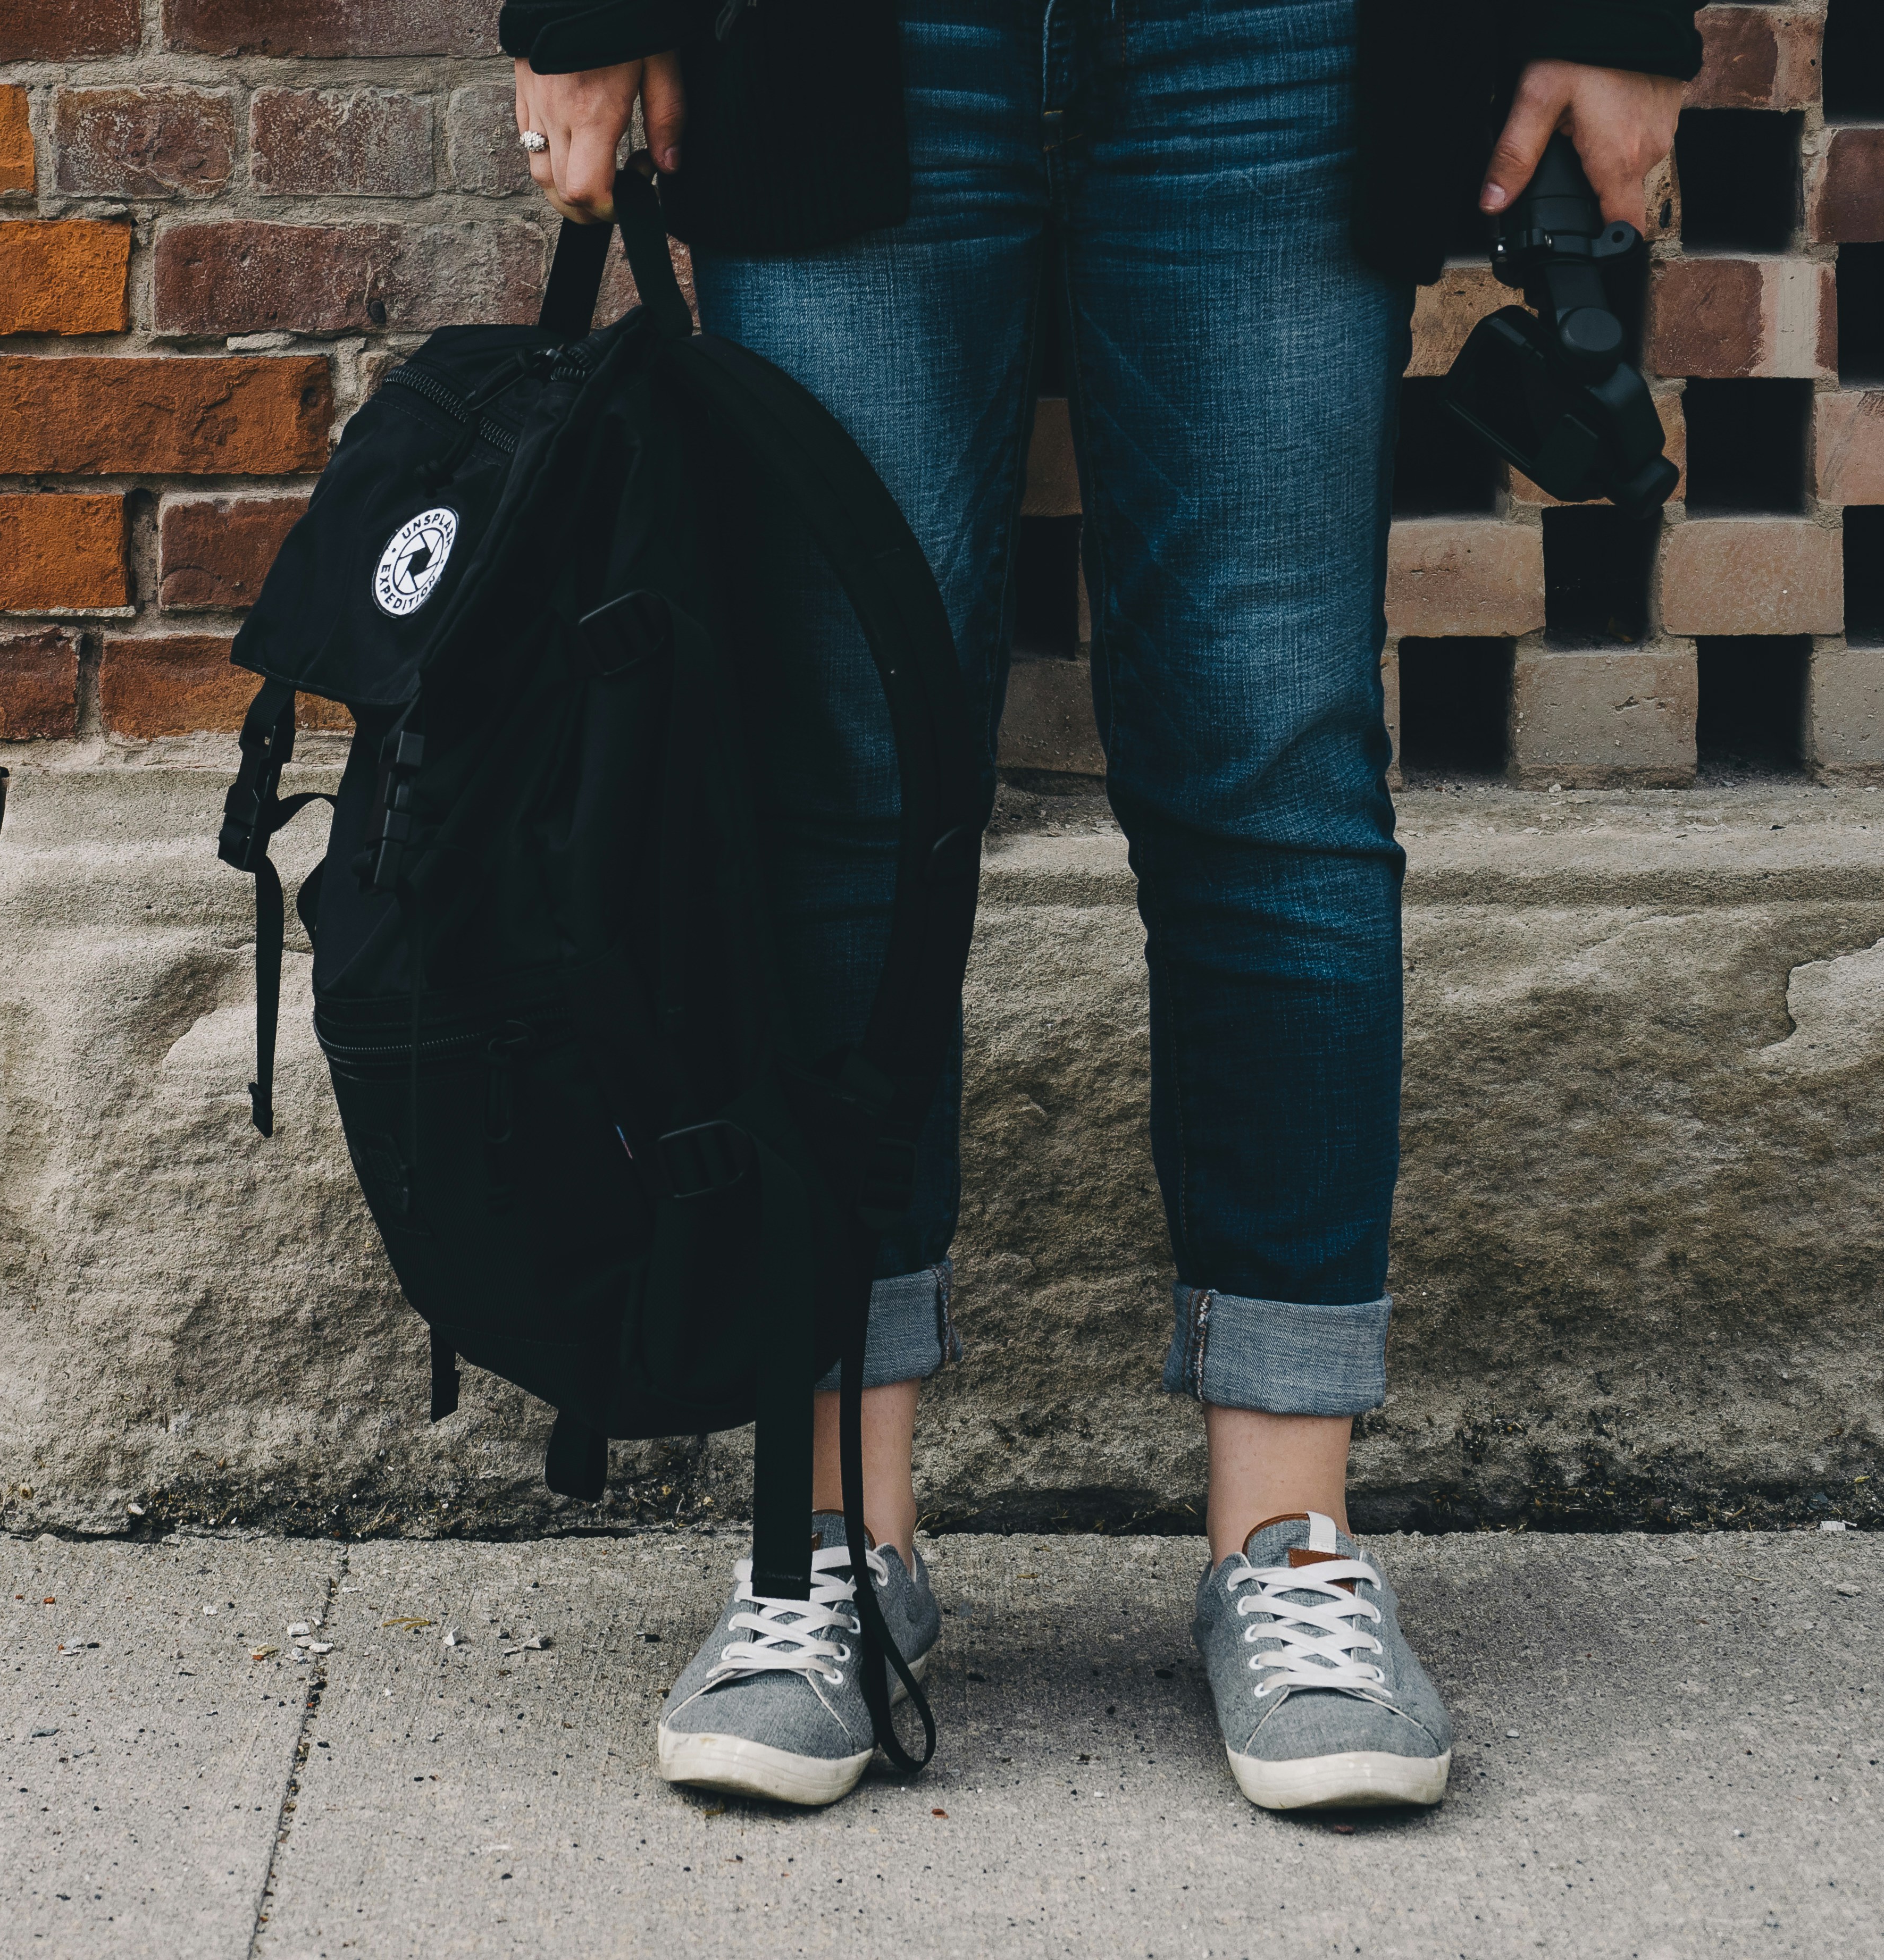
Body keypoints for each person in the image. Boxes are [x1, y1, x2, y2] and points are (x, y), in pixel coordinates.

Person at [499, 0, 1699, 1811]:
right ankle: (828, 1541)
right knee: (844, 777)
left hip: (1275, 37)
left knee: (1272, 765)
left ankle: (1288, 1544)